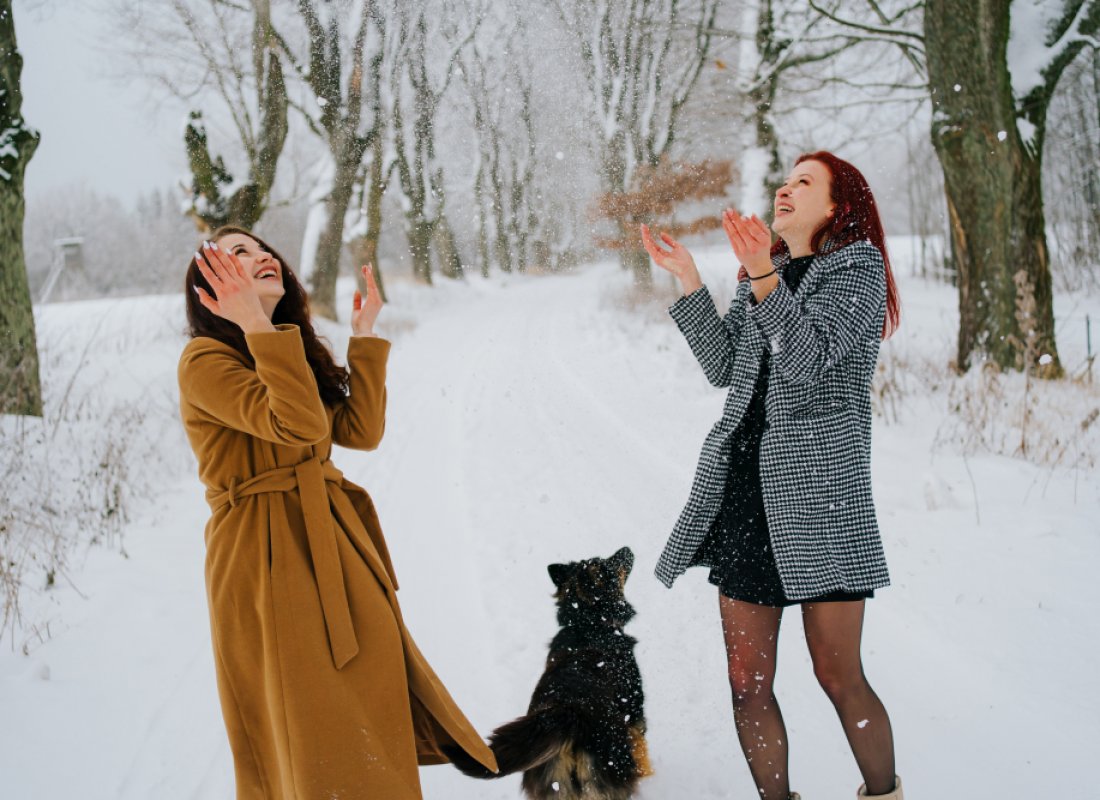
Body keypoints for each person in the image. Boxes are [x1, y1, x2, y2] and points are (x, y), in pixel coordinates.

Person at [178, 227, 497, 799]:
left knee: (371, 696)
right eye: (240, 254)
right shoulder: (205, 359)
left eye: (263, 249)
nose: (263, 256)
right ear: (213, 288)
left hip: (334, 541)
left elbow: (359, 431)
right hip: (263, 555)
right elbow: (297, 424)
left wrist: (363, 336)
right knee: (309, 722)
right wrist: (254, 326)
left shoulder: (283, 346)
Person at [641, 152, 904, 800]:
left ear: (838, 206)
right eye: (784, 180)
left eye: (803, 182)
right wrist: (690, 280)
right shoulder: (769, 271)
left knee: (838, 675)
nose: (785, 189)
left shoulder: (858, 270)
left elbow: (806, 362)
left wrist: (761, 273)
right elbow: (725, 367)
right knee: (747, 684)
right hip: (745, 497)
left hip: (823, 504)